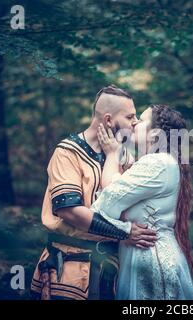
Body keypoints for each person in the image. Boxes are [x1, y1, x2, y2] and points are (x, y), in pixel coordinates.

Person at [30, 85, 157, 300]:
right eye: (130, 116)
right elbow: (69, 211)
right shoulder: (67, 153)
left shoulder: (123, 155)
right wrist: (125, 232)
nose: (135, 122)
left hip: (112, 268)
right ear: (108, 120)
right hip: (70, 268)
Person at [91, 104, 193, 300]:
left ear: (154, 134)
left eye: (140, 120)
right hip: (148, 253)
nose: (134, 123)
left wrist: (112, 154)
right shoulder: (161, 161)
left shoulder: (156, 162)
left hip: (150, 258)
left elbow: (108, 200)